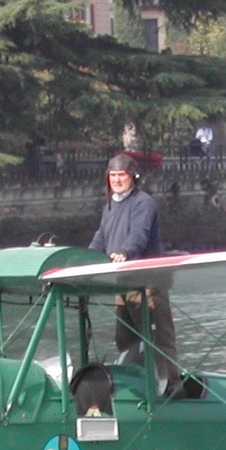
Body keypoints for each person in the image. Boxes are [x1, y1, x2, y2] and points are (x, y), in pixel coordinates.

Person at [89, 153, 177, 390]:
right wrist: (84, 259)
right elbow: (101, 238)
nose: (116, 180)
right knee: (126, 338)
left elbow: (139, 234)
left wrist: (124, 252)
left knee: (158, 337)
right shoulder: (109, 206)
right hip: (122, 282)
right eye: (113, 176)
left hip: (148, 281)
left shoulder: (143, 202)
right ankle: (136, 383)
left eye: (121, 175)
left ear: (133, 177)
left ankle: (170, 386)